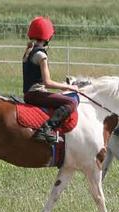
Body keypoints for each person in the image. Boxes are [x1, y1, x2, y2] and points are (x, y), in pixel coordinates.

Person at [22, 16, 79, 144]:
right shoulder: (41, 55)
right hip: (36, 94)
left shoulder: (29, 51)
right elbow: (47, 82)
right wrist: (69, 87)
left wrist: (62, 85)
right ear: (47, 37)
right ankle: (46, 129)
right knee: (70, 102)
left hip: (29, 94)